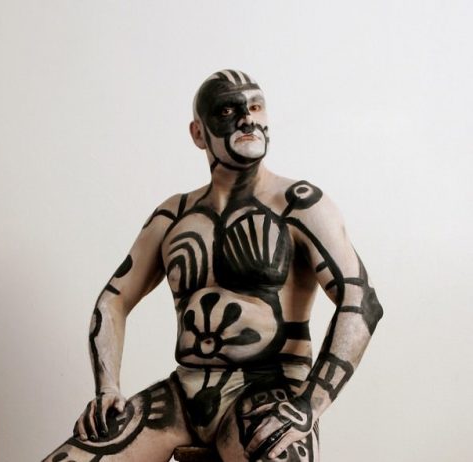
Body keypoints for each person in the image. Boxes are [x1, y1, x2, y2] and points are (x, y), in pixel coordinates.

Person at [43, 69, 383, 462]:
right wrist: (108, 389)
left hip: (268, 390)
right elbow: (113, 301)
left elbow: (361, 302)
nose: (247, 119)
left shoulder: (298, 204)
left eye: (256, 107)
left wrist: (309, 404)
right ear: (198, 133)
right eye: (227, 110)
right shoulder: (174, 215)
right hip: (181, 398)